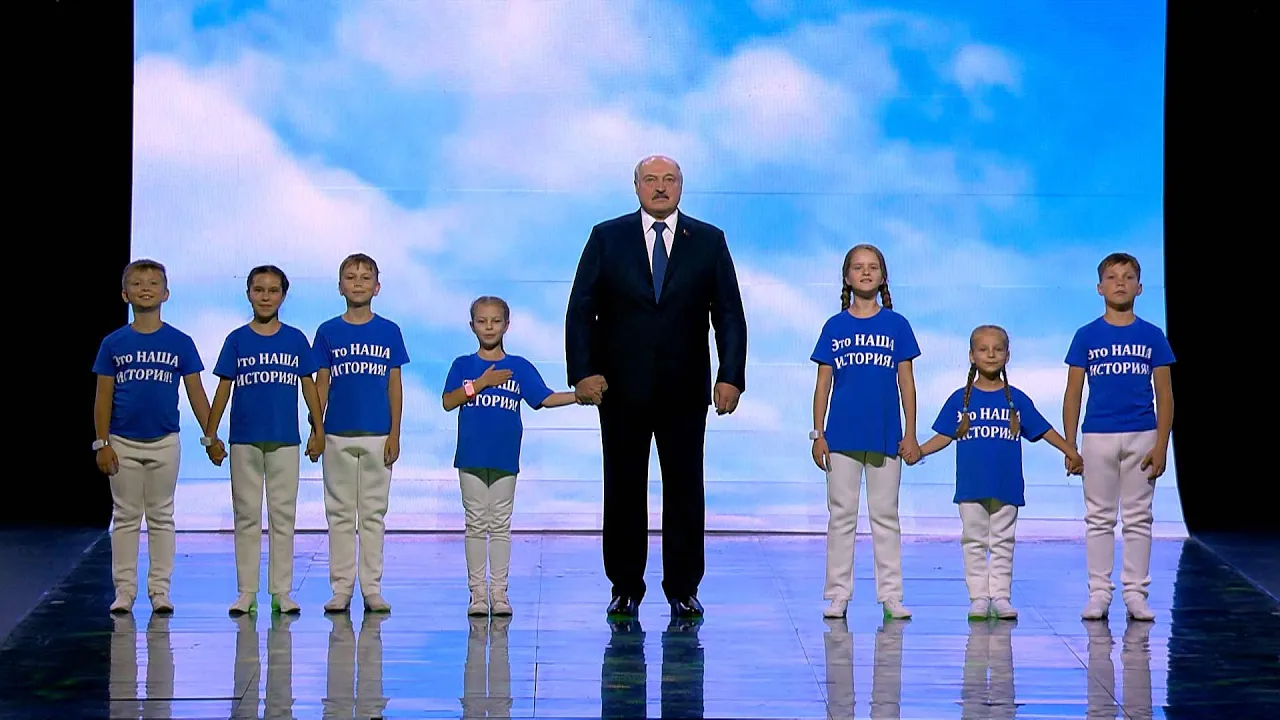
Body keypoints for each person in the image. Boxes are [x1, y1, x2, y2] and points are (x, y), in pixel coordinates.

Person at [565, 155, 748, 618]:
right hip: (619, 388)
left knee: (685, 487)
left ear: (681, 186)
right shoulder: (607, 237)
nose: (660, 187)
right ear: (636, 186)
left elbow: (729, 313)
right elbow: (581, 308)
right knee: (623, 486)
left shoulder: (708, 240)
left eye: (669, 180)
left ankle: (683, 587)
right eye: (651, 180)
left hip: (685, 390)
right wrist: (582, 371)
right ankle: (625, 585)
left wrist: (731, 375)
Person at [915, 325, 1083, 620]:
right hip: (971, 486)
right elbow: (944, 435)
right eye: (983, 349)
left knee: (1003, 542)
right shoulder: (960, 399)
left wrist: (1069, 450)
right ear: (971, 356)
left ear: (1008, 355)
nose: (991, 354)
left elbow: (1043, 430)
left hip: (1007, 485)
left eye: (998, 349)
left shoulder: (1017, 400)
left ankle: (1001, 596)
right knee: (974, 541)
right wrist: (919, 451)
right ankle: (979, 597)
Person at [443, 296, 578, 617]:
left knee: (501, 525)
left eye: (495, 321)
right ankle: (478, 594)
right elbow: (449, 401)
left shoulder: (518, 367)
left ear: (507, 325)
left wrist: (579, 396)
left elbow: (543, 398)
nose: (489, 327)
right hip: (471, 457)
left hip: (505, 458)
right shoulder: (463, 365)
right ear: (472, 325)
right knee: (476, 524)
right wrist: (481, 383)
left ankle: (499, 593)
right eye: (482, 321)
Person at [203, 265, 326, 616]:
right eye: (259, 290)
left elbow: (309, 387)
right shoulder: (237, 339)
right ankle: (246, 592)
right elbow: (223, 389)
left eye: (273, 290)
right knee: (246, 516)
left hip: (285, 439)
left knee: (283, 516)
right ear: (248, 294)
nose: (266, 296)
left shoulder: (295, 339)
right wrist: (210, 436)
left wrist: (318, 430)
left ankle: (281, 592)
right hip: (244, 439)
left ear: (283, 296)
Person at [93, 259, 211, 614]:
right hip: (122, 441)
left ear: (166, 293)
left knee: (161, 516)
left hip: (164, 441)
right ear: (124, 294)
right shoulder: (113, 343)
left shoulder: (180, 342)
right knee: (126, 517)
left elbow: (196, 392)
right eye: (137, 283)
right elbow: (103, 396)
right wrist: (102, 443)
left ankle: (160, 591)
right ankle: (124, 592)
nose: (145, 288)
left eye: (153, 283)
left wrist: (210, 436)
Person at [810, 244, 921, 621]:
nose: (866, 272)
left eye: (873, 267)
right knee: (842, 516)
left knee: (886, 516)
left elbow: (907, 383)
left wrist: (911, 433)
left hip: (886, 435)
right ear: (846, 277)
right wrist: (818, 433)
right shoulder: (834, 326)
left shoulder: (897, 325)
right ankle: (838, 594)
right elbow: (823, 384)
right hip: (841, 437)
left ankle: (891, 595)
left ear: (883, 276)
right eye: (858, 267)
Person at [1063, 252, 1174, 622]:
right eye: (1112, 277)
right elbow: (1073, 393)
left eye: (1128, 277)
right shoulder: (1086, 335)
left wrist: (1161, 445)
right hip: (1098, 435)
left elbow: (1165, 394)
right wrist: (1069, 445)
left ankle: (1136, 593)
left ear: (1140, 288)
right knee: (1099, 517)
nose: (1120, 283)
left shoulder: (1152, 335)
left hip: (1143, 433)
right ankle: (1098, 593)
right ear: (1099, 288)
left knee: (1139, 517)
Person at [310, 253, 410, 615]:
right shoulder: (327, 331)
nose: (358, 282)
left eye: (365, 277)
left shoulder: (389, 331)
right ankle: (341, 589)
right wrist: (317, 429)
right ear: (340, 286)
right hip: (336, 433)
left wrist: (395, 432)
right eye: (350, 277)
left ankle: (372, 588)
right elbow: (321, 383)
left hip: (377, 434)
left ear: (377, 287)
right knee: (338, 514)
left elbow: (394, 385)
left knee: (372, 515)